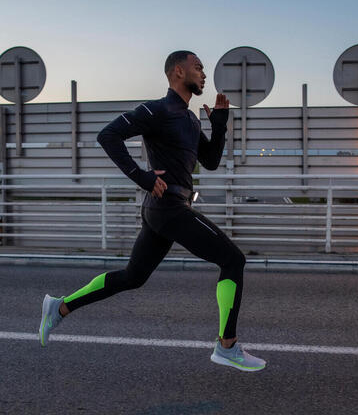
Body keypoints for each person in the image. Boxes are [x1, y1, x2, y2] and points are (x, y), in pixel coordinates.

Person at [38, 50, 266, 372]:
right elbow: (108, 135)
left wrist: (219, 125)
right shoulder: (157, 110)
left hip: (167, 209)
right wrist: (142, 177)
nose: (203, 74)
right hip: (167, 207)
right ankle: (226, 346)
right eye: (198, 67)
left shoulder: (188, 118)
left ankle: (59, 307)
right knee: (233, 260)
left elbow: (211, 161)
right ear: (177, 71)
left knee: (133, 277)